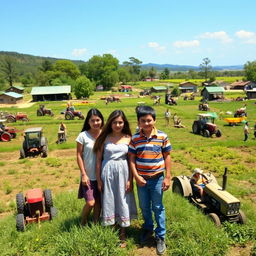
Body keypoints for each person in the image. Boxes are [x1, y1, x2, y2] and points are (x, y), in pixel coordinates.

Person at [128, 105, 172, 255]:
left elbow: (167, 156)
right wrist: (136, 176)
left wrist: (167, 177)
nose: (146, 123)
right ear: (138, 122)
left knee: (158, 207)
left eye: (149, 120)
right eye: (143, 121)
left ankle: (160, 236)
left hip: (157, 178)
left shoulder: (162, 137)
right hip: (141, 180)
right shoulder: (135, 139)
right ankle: (148, 228)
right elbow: (132, 159)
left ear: (154, 120)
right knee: (144, 206)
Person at [94, 110, 137, 247]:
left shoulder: (129, 138)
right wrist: (99, 180)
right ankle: (112, 230)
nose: (117, 125)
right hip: (107, 173)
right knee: (109, 200)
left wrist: (130, 180)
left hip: (124, 172)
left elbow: (131, 161)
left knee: (123, 200)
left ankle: (122, 233)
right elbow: (99, 160)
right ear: (110, 123)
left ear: (124, 123)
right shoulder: (104, 137)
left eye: (120, 122)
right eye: (115, 122)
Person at [76, 108, 104, 226]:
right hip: (88, 176)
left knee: (99, 202)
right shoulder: (83, 136)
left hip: (102, 175)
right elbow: (78, 155)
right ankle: (83, 221)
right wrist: (83, 174)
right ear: (88, 122)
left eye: (98, 120)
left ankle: (95, 223)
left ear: (102, 120)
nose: (95, 123)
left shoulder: (105, 134)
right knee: (91, 202)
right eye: (93, 120)